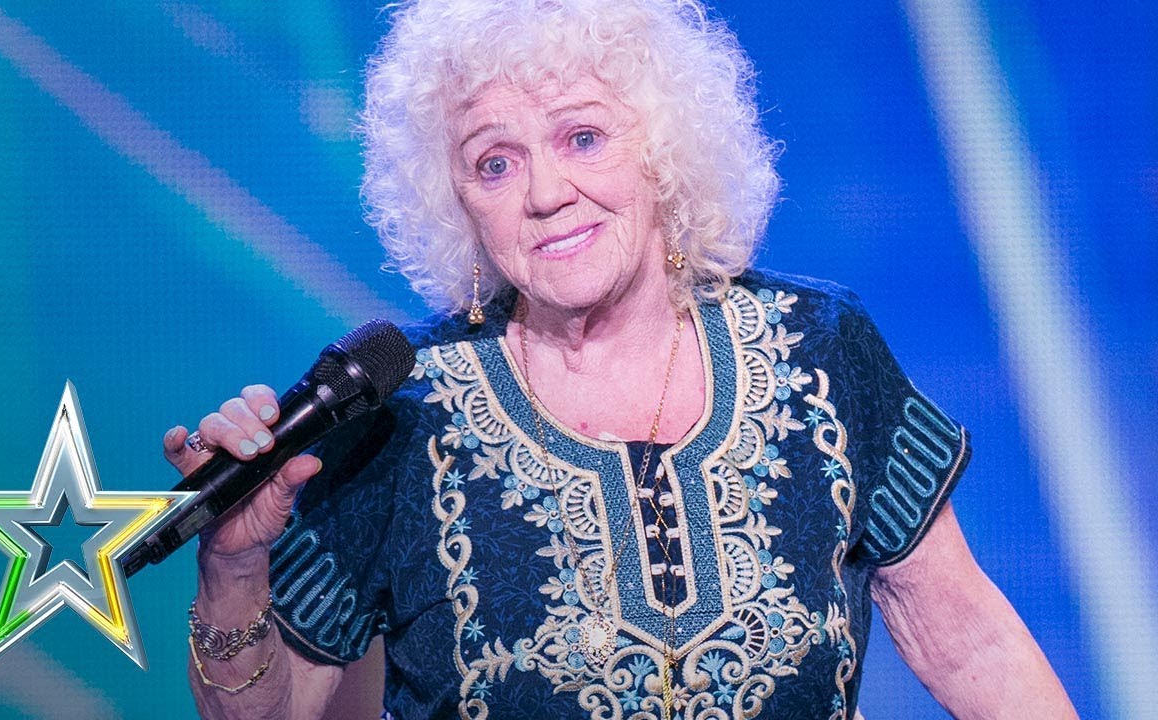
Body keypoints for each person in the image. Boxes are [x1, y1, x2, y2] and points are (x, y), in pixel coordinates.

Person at [163, 0, 1078, 717]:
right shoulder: (403, 416)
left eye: (583, 138)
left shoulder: (821, 348)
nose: (547, 193)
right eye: (494, 163)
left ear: (664, 146)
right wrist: (234, 572)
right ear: (454, 200)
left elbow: (970, 647)